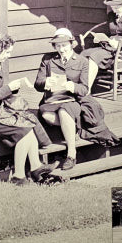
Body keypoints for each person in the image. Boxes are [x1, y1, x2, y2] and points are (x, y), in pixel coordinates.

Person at [0, 33, 54, 185]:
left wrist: (13, 88)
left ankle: (36, 167)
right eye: (7, 52)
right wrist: (9, 88)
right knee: (23, 129)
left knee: (27, 123)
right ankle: (18, 176)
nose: (9, 55)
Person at [35, 28, 90, 171]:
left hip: (72, 100)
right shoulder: (48, 59)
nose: (61, 49)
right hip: (52, 100)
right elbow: (37, 84)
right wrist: (45, 82)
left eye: (64, 45)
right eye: (58, 46)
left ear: (71, 44)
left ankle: (71, 154)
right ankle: (74, 129)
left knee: (64, 111)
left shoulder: (82, 61)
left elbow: (84, 89)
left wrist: (74, 86)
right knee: (46, 115)